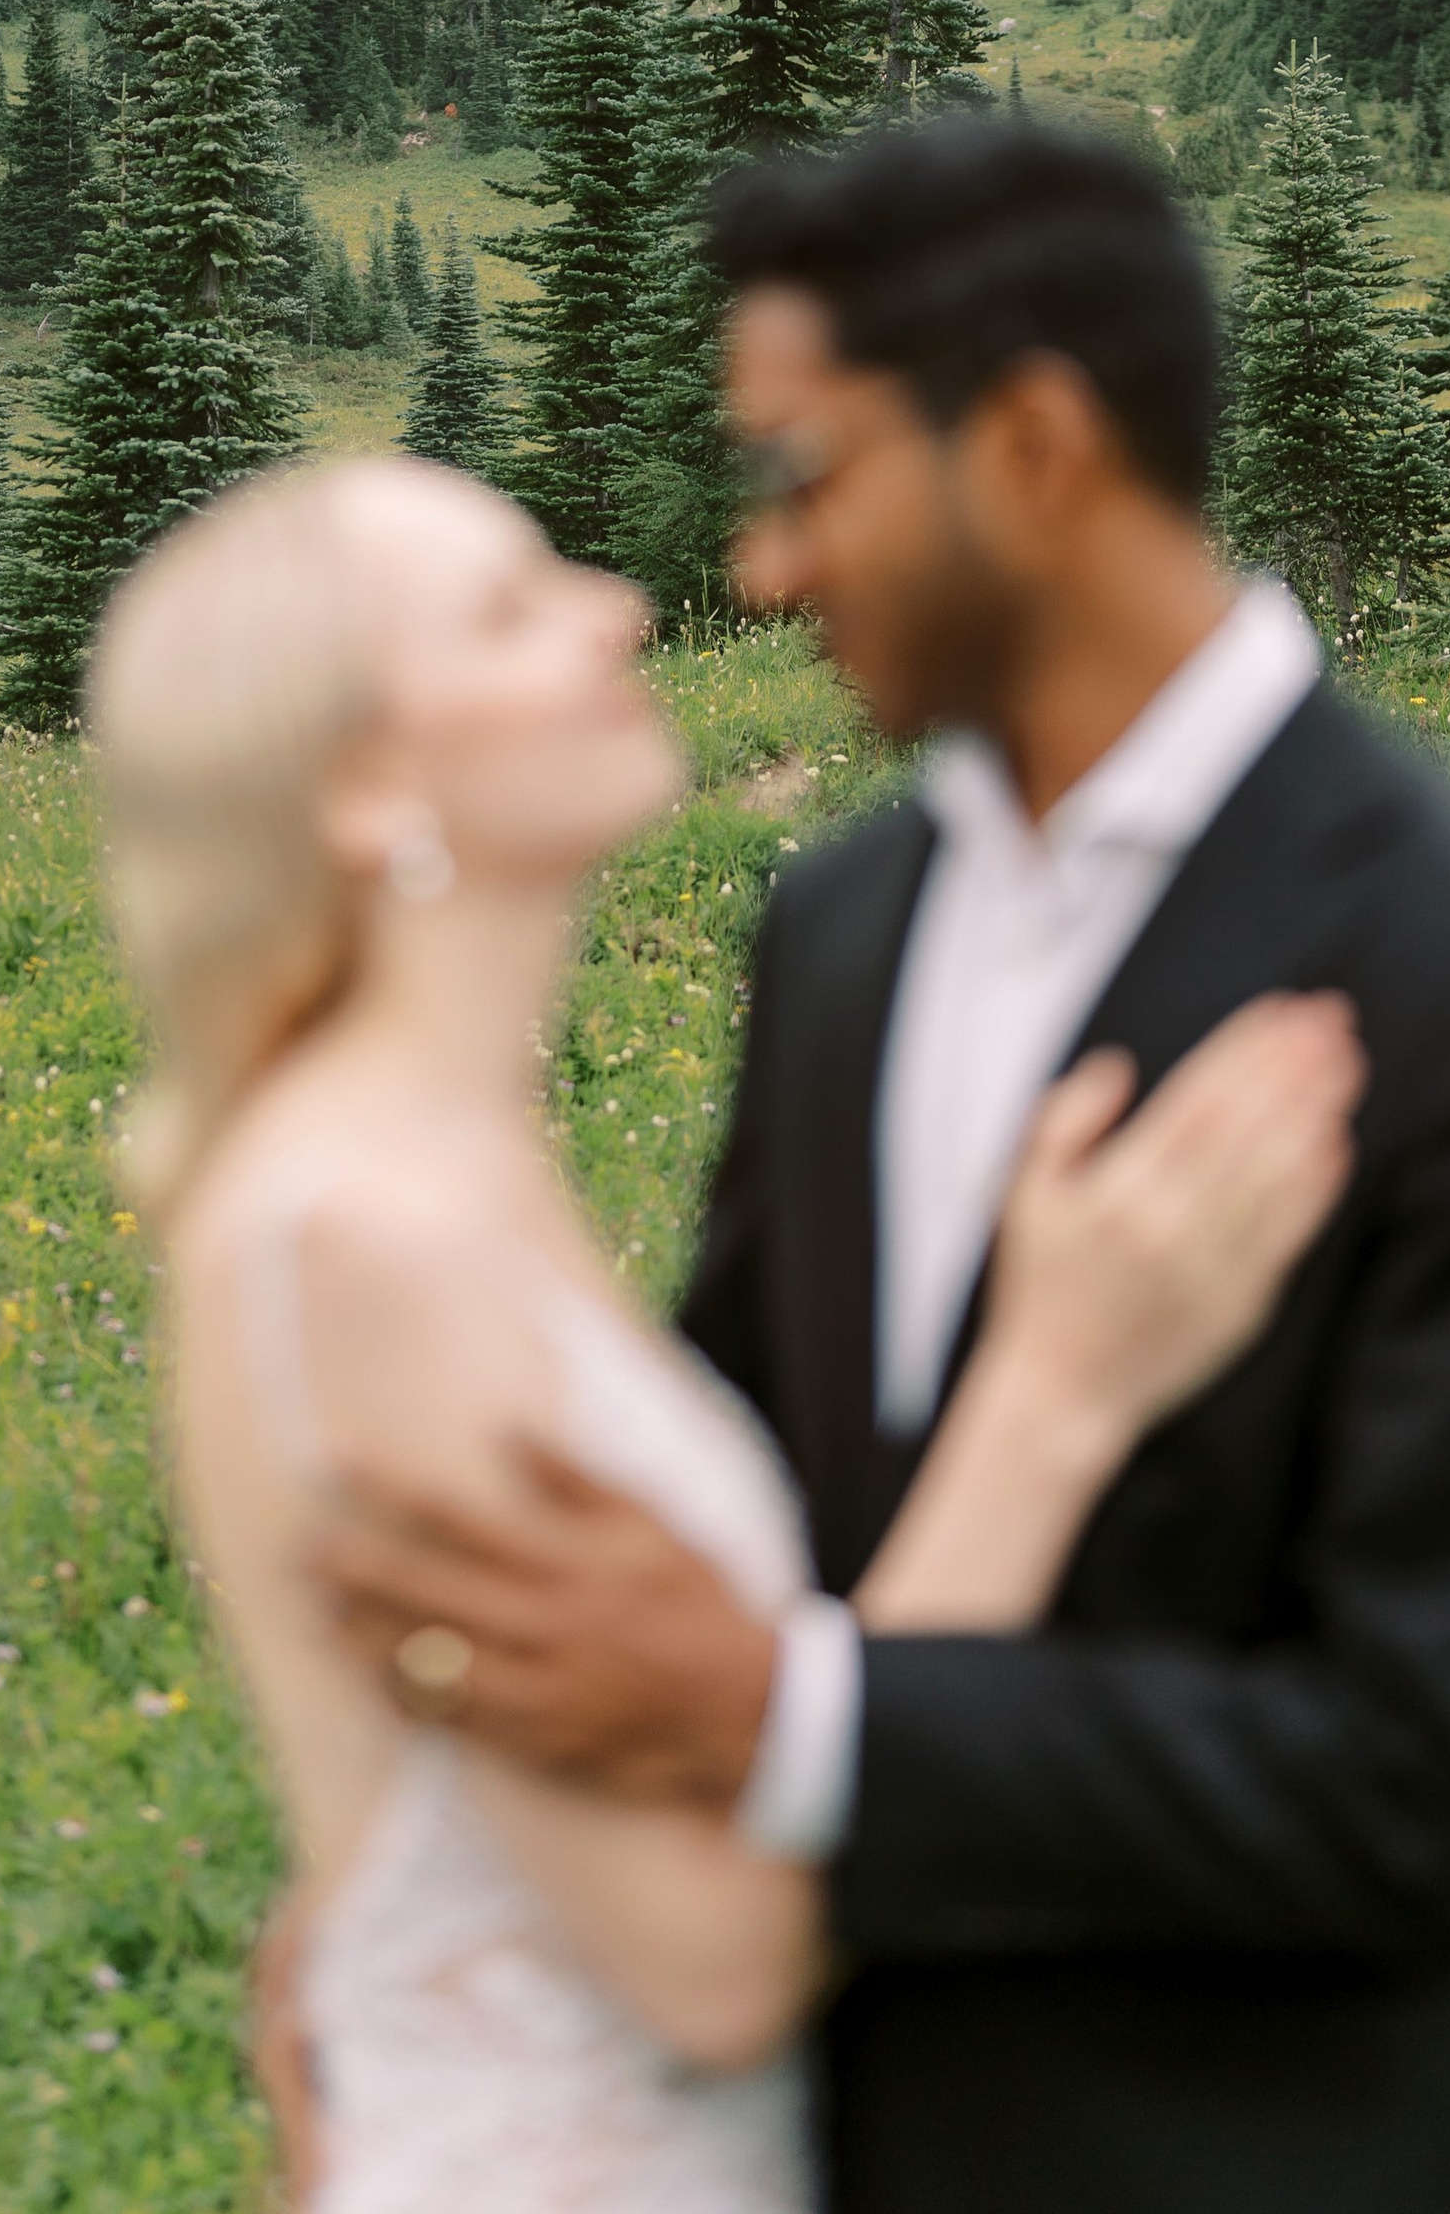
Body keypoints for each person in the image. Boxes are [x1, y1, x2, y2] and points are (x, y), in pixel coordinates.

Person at [314, 120, 1450, 2214]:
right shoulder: (839, 926)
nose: (763, 569)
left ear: (1035, 444)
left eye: (808, 476)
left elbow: (1442, 1790)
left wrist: (801, 1719)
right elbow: (754, 1486)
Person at [94, 443, 1366, 2214]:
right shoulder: (356, 1235)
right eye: (511, 607)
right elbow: (712, 1966)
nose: (617, 608)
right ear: (369, 783)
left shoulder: (447, 1168)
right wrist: (1059, 1385)